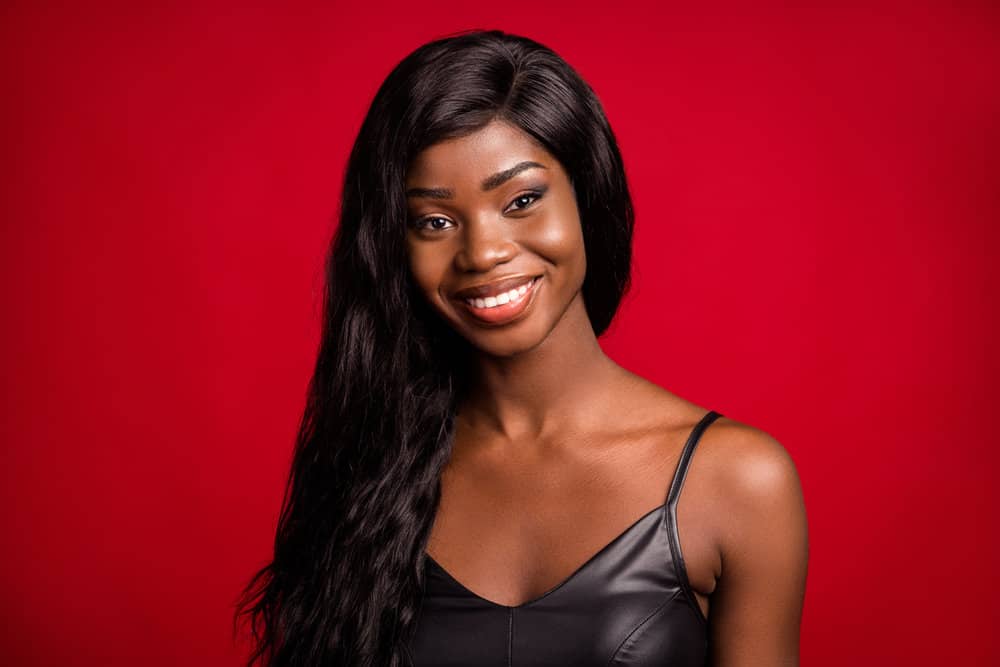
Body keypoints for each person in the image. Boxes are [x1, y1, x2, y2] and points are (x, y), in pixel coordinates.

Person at [236, 29, 809, 667]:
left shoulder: (738, 481)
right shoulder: (368, 470)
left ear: (588, 197)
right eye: (435, 222)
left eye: (522, 200)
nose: (482, 252)